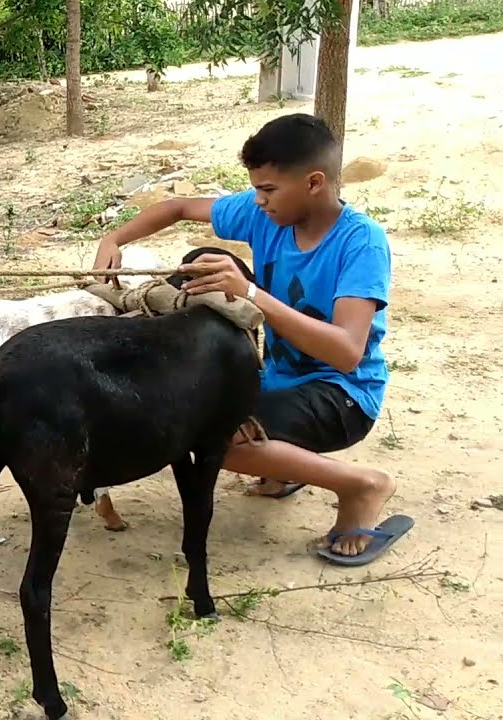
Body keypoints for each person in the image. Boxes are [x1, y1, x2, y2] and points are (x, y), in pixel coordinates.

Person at [93, 113, 411, 566]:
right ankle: (284, 467)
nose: (258, 201)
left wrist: (252, 293)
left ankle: (359, 486)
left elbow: (345, 352)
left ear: (315, 183)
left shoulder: (361, 243)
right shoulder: (269, 215)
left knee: (215, 438)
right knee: (201, 264)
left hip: (342, 395)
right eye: (256, 189)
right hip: (278, 378)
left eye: (267, 189)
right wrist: (115, 236)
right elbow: (180, 207)